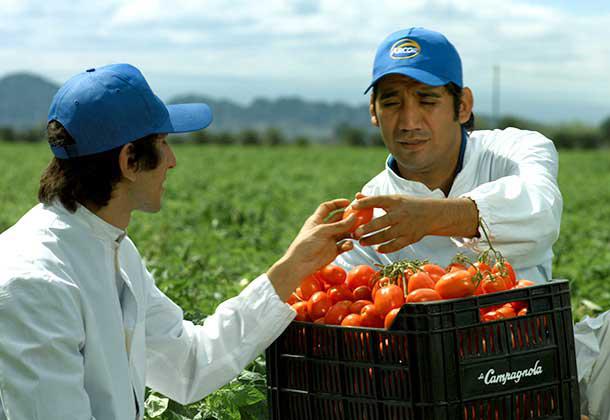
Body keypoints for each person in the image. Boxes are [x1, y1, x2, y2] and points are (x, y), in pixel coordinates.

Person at [0, 63, 357, 420]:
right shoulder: (33, 285)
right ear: (129, 161)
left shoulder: (115, 249)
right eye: (163, 143)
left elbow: (188, 364)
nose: (172, 161)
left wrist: (294, 266)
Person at [334, 27, 562, 283]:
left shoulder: (513, 150)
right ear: (374, 112)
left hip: (527, 322)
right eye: (391, 103)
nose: (409, 122)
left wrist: (432, 217)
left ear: (463, 106)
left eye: (427, 101)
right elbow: (347, 295)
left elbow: (541, 211)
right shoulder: (371, 212)